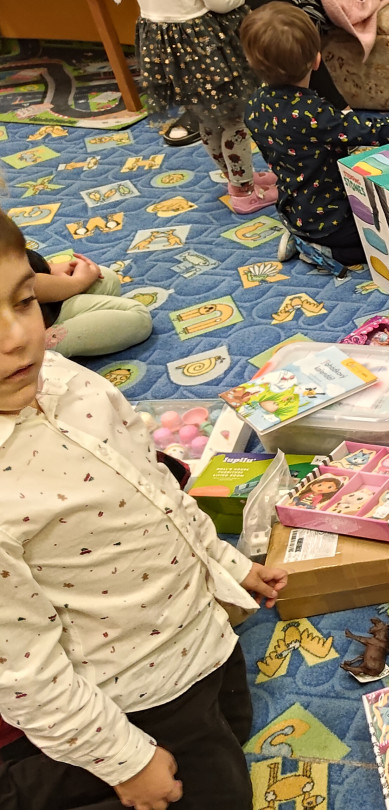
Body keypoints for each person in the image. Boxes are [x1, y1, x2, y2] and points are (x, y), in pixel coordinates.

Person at [0, 210, 288, 810]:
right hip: (133, 688)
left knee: (233, 724)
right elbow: (24, 670)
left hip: (200, 630)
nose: (16, 338)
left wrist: (226, 564)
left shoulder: (66, 378)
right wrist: (123, 762)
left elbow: (157, 489)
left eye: (23, 302)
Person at [240, 3, 389, 266]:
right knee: (388, 242)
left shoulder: (254, 104)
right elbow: (364, 129)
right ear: (317, 60)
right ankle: (318, 250)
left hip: (292, 211)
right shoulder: (311, 113)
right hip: (332, 222)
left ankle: (300, 236)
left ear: (251, 62)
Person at [134, 0, 280, 214]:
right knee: (234, 118)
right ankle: (244, 192)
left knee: (206, 117)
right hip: (199, 41)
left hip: (162, 38)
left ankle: (238, 178)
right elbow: (220, 4)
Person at [30, 250, 152, 357]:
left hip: (36, 305)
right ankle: (32, 352)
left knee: (105, 278)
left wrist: (47, 269)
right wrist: (77, 282)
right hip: (26, 326)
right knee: (139, 316)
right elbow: (23, 286)